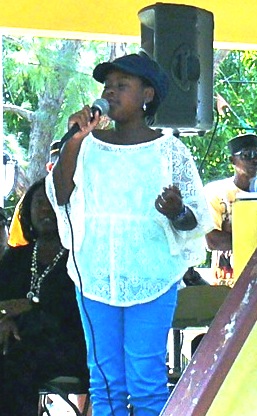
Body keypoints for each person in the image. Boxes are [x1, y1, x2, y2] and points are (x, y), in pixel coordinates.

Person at [46, 52, 213, 416]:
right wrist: (74, 139)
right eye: (108, 86)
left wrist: (177, 211)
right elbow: (60, 195)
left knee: (146, 382)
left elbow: (194, 223)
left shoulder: (170, 151)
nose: (111, 92)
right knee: (104, 384)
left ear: (147, 95)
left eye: (123, 85)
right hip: (95, 278)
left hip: (151, 279)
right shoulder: (87, 145)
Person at [0, 177, 90, 416]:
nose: (45, 209)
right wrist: (5, 319)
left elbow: (74, 313)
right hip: (15, 342)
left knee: (14, 362)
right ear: (28, 211)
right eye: (39, 203)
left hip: (68, 347)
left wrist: (30, 307)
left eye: (52, 202)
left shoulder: (81, 258)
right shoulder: (15, 258)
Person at [204, 133, 257, 287]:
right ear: (232, 161)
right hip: (226, 284)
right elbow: (212, 240)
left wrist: (232, 238)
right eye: (247, 155)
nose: (254, 159)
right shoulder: (215, 191)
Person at [8, 139, 61, 248]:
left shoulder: (90, 199)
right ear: (50, 167)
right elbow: (16, 245)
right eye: (62, 166)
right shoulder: (31, 200)